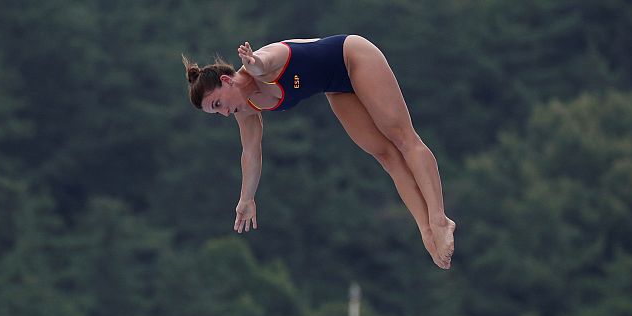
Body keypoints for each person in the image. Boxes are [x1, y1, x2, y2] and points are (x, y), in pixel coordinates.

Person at [182, 35, 456, 269]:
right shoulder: (246, 110)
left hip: (352, 56)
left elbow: (266, 60)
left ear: (227, 80)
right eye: (215, 112)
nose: (225, 113)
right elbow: (251, 153)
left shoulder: (262, 62)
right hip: (334, 87)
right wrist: (246, 198)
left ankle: (439, 218)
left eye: (218, 104)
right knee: (385, 155)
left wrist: (254, 63)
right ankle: (426, 229)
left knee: (403, 138)